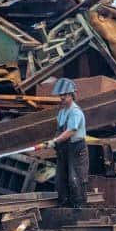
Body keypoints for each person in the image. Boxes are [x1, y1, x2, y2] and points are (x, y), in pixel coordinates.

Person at [44, 78, 89, 208]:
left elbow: (70, 131)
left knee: (75, 180)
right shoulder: (62, 112)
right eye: (61, 95)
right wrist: (53, 141)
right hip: (64, 150)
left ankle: (79, 209)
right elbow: (59, 130)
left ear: (71, 95)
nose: (62, 97)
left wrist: (55, 141)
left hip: (76, 149)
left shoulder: (75, 112)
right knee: (61, 181)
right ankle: (64, 207)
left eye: (65, 95)